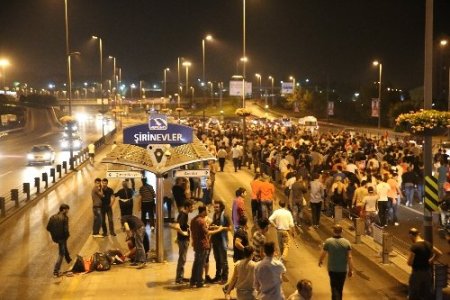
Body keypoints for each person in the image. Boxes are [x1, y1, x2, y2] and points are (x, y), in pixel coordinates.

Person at [190, 205, 223, 288]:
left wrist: (210, 227)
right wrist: (218, 230)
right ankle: (200, 282)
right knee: (201, 264)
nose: (208, 212)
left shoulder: (194, 220)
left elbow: (200, 230)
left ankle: (193, 281)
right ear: (203, 211)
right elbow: (207, 232)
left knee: (196, 263)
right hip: (203, 245)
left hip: (197, 244)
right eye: (207, 210)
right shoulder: (201, 221)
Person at [318, 224, 353, 300]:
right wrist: (350, 270)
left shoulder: (328, 241)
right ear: (342, 232)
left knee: (334, 288)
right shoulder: (347, 243)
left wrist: (320, 260)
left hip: (332, 269)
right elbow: (350, 257)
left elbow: (323, 253)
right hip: (343, 270)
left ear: (333, 231)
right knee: (340, 288)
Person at [407, 227, 442, 300]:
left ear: (411, 235)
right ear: (418, 234)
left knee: (413, 293)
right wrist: (430, 260)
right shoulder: (428, 244)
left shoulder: (414, 247)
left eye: (409, 236)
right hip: (427, 272)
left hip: (417, 273)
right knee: (427, 292)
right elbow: (439, 253)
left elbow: (409, 263)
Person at [169, 200, 194, 284]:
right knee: (182, 259)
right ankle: (179, 278)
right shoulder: (183, 215)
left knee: (182, 258)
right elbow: (177, 226)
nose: (193, 208)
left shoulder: (183, 214)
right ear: (187, 207)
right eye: (191, 207)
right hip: (183, 240)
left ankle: (181, 276)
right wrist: (183, 233)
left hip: (182, 240)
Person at [210, 200, 232, 284]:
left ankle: (224, 277)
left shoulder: (225, 215)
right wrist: (212, 226)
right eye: (214, 207)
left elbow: (230, 228)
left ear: (221, 207)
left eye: (217, 207)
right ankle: (217, 276)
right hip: (215, 240)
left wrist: (221, 228)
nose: (215, 208)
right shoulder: (215, 215)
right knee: (217, 259)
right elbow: (215, 224)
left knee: (223, 260)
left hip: (222, 240)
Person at [46, 203, 71, 277]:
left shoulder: (53, 217)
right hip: (62, 238)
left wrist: (54, 234)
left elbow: (48, 228)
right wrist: (66, 236)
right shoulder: (65, 218)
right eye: (67, 210)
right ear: (63, 210)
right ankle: (56, 271)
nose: (68, 212)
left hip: (56, 238)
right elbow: (66, 230)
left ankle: (68, 260)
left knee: (63, 252)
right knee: (61, 254)